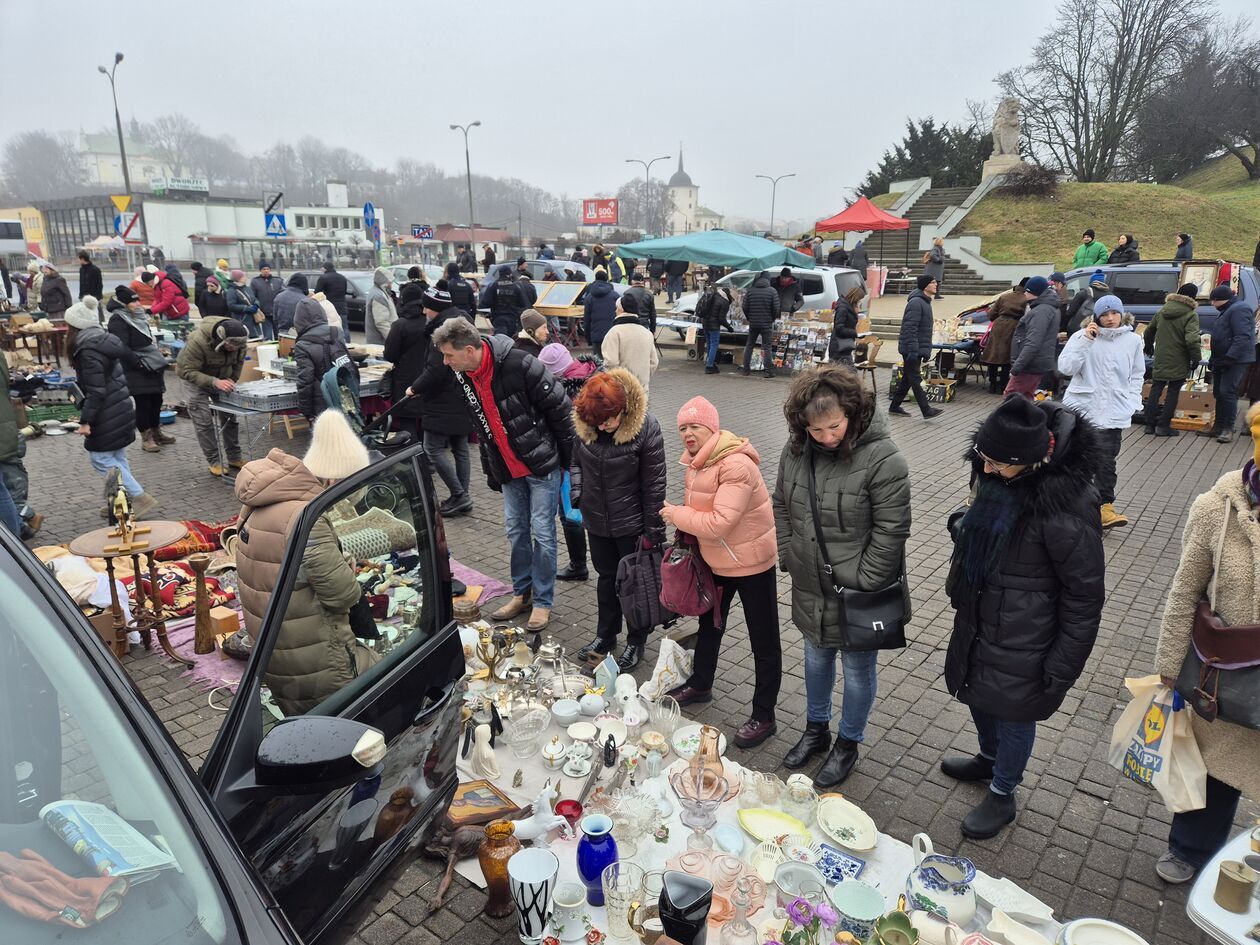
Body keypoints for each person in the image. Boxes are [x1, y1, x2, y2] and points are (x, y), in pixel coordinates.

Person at [942, 396, 1104, 838]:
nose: (987, 470)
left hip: (1028, 637)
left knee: (1014, 713)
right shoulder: (996, 476)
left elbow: (1085, 596)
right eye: (983, 460)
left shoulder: (1066, 507)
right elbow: (981, 520)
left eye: (999, 465)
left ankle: (1002, 791)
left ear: (1031, 462)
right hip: (981, 617)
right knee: (978, 694)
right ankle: (988, 758)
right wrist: (966, 524)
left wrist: (1062, 665)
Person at [774, 367, 911, 785]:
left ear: (852, 412)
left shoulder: (883, 457)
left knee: (856, 668)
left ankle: (848, 742)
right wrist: (788, 553)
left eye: (834, 426)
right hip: (810, 580)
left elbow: (893, 528)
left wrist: (865, 579)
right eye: (816, 430)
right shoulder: (797, 449)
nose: (827, 437)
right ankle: (816, 730)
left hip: (858, 591)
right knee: (815, 658)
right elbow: (780, 502)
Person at [1151, 403, 1260, 885]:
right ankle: (1191, 848)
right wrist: (1169, 668)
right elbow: (1184, 592)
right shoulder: (1217, 508)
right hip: (1228, 669)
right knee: (1215, 764)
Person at [431, 317, 575, 632]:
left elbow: (562, 412)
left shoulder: (521, 364)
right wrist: (491, 469)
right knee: (515, 532)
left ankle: (543, 601)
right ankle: (522, 593)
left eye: (449, 355)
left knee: (543, 534)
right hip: (509, 470)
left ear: (468, 350)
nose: (445, 362)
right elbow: (483, 427)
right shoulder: (465, 375)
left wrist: (569, 465)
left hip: (541, 466)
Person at [234, 412, 376, 717]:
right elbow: (343, 595)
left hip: (274, 656)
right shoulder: (306, 520)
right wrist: (346, 572)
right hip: (316, 666)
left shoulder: (258, 503)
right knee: (392, 675)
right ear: (334, 480)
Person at [660, 397, 780, 748]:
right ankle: (701, 683)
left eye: (694, 426)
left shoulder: (735, 464)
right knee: (710, 625)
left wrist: (675, 514)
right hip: (718, 562)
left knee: (764, 640)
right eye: (682, 428)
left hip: (752, 563)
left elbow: (718, 523)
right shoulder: (696, 463)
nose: (687, 434)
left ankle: (764, 714)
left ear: (711, 428)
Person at [569, 369, 666, 671]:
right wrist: (578, 495)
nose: (604, 426)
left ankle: (637, 639)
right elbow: (575, 463)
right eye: (597, 422)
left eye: (608, 420)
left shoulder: (646, 429)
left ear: (623, 409)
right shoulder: (588, 427)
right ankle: (606, 635)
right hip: (597, 521)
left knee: (635, 585)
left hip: (632, 524)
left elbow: (655, 485)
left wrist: (653, 531)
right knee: (606, 579)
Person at [66, 297, 158, 519]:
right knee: (116, 457)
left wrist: (86, 420)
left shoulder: (87, 350)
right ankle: (118, 503)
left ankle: (139, 497)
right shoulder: (102, 340)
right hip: (119, 406)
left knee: (101, 458)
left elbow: (96, 391)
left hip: (107, 411)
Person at [1058, 294, 1145, 529]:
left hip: (1115, 411)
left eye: (1114, 313)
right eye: (1104, 314)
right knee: (1076, 459)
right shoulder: (1081, 336)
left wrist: (1133, 399)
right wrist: (1085, 341)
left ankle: (1104, 507)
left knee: (1107, 462)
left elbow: (1137, 373)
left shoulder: (1133, 341)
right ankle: (1072, 504)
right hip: (1083, 409)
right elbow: (1065, 368)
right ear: (1096, 317)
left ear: (1122, 314)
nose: (1110, 318)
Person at [405, 285, 476, 517]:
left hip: (442, 399)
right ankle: (461, 495)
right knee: (460, 447)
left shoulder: (444, 332)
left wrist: (415, 387)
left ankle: (459, 494)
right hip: (462, 394)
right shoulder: (463, 323)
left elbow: (436, 369)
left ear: (435, 308)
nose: (424, 311)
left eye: (427, 306)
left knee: (433, 448)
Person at [540, 342, 600, 582]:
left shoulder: (567, 392)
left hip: (575, 462)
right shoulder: (592, 374)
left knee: (570, 513)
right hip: (593, 461)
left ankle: (579, 566)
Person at [175, 315, 249, 476]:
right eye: (231, 345)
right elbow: (186, 371)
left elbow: (239, 363)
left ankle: (234, 457)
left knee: (230, 418)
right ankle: (214, 461)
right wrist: (214, 382)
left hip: (223, 378)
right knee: (204, 422)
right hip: (195, 379)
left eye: (238, 346)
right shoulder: (197, 341)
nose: (234, 349)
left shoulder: (240, 343)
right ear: (222, 338)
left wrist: (232, 379)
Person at [107, 284, 172, 454]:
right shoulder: (118, 319)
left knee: (156, 400)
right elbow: (121, 346)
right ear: (124, 304)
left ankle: (157, 432)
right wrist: (139, 363)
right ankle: (146, 438)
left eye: (138, 301)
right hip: (136, 367)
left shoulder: (138, 317)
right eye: (133, 302)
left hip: (152, 364)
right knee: (143, 402)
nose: (138, 305)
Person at [1143, 283, 1202, 438]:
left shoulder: (1162, 310)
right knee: (1173, 392)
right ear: (1193, 297)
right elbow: (1191, 340)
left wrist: (1148, 346)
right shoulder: (1190, 314)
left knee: (1156, 388)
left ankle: (1149, 425)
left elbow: (1149, 330)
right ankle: (1163, 426)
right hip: (1179, 358)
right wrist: (1196, 358)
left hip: (1161, 356)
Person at [1200, 285, 1257, 443]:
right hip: (1222, 358)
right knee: (1218, 392)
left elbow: (1242, 336)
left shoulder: (1239, 309)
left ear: (1222, 300)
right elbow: (1221, 337)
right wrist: (1213, 359)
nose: (1212, 304)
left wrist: (1230, 358)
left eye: (1214, 301)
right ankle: (1218, 426)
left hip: (1234, 360)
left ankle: (1227, 429)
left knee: (1227, 392)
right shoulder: (1228, 310)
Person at [383, 279, 435, 443]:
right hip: (428, 377)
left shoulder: (400, 325)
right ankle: (427, 459)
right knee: (425, 423)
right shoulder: (431, 323)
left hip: (406, 380)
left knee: (408, 422)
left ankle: (414, 462)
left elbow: (390, 355)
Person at [888, 275, 943, 418]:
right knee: (915, 378)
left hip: (915, 347)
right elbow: (910, 327)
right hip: (912, 348)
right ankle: (926, 410)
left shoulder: (925, 302)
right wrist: (913, 350)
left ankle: (894, 406)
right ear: (925, 286)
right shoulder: (916, 303)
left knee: (908, 377)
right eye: (932, 282)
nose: (936, 284)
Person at [294, 297, 354, 422]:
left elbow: (305, 380)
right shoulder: (337, 332)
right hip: (345, 393)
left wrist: (305, 410)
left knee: (325, 438)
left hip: (322, 399)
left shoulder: (303, 344)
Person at [0, 358, 40, 538]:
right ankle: (20, 529)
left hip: (5, 433)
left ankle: (17, 533)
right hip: (5, 429)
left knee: (5, 491)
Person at [1006, 275, 1060, 397]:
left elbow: (1033, 342)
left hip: (1030, 366)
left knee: (1012, 398)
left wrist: (1016, 368)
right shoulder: (1049, 308)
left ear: (1034, 292)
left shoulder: (1040, 311)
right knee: (1031, 399)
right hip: (1038, 364)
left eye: (1027, 290)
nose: (1024, 293)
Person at [600, 295, 659, 396]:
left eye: (617, 308)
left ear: (621, 309)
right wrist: (643, 376)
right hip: (642, 389)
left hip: (620, 390)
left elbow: (611, 362)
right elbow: (654, 362)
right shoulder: (646, 333)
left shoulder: (614, 332)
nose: (615, 311)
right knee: (641, 412)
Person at [981, 280, 1026, 393]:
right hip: (1014, 326)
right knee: (1007, 358)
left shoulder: (1004, 297)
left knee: (993, 356)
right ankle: (1003, 386)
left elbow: (992, 314)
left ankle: (992, 385)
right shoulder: (1026, 299)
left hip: (998, 325)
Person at [741, 273, 780, 377]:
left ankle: (745, 369)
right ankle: (768, 371)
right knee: (767, 347)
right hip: (766, 323)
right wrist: (771, 319)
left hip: (753, 323)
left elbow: (744, 307)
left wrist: (750, 318)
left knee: (749, 345)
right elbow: (776, 309)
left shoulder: (750, 291)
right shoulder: (772, 291)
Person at [696, 283, 735, 375]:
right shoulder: (724, 302)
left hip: (705, 323)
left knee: (709, 344)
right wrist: (729, 327)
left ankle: (710, 363)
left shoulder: (714, 296)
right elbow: (721, 319)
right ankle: (709, 366)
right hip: (714, 326)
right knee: (714, 345)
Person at [483, 264, 530, 338]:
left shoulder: (493, 286)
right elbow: (522, 303)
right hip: (512, 319)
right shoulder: (516, 287)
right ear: (509, 274)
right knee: (511, 341)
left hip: (498, 319)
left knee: (500, 341)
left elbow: (485, 302)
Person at [582, 269, 618, 358]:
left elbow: (586, 320)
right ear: (606, 279)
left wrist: (588, 338)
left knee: (598, 363)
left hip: (596, 336)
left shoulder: (589, 297)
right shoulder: (615, 296)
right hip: (612, 335)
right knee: (611, 362)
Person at [1064, 270, 1109, 339]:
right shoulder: (1110, 296)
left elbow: (1070, 312)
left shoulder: (1084, 293)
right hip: (1101, 331)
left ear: (1091, 282)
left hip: (1082, 329)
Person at [829, 286, 863, 367]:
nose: (859, 301)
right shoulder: (843, 308)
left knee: (844, 374)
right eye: (859, 299)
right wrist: (854, 333)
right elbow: (839, 328)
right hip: (839, 347)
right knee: (848, 372)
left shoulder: (849, 307)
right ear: (855, 298)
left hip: (844, 347)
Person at [250, 264, 284, 341]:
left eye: (267, 269)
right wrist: (257, 305)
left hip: (277, 312)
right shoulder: (255, 282)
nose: (266, 271)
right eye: (264, 269)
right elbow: (252, 296)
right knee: (267, 336)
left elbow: (284, 293)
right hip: (264, 313)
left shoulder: (278, 280)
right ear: (260, 270)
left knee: (279, 336)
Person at [314, 262, 349, 335]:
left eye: (322, 267)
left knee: (330, 328)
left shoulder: (323, 278)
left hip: (329, 307)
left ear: (325, 268)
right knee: (344, 327)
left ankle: (334, 345)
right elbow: (344, 291)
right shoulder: (342, 277)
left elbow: (317, 292)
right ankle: (347, 344)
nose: (321, 269)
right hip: (342, 306)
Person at [365, 267, 397, 345]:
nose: (391, 284)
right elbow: (381, 323)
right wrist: (393, 340)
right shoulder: (379, 296)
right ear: (385, 282)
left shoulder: (377, 292)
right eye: (390, 281)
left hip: (379, 341)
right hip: (380, 342)